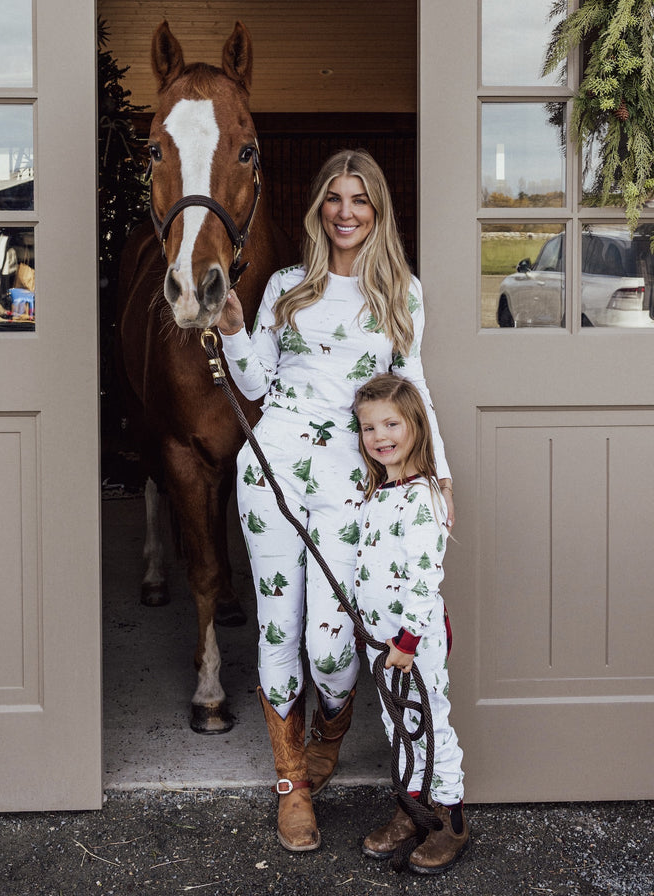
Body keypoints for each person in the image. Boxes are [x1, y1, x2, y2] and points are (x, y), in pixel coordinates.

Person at [215, 149, 454, 852]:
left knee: (329, 640)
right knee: (277, 629)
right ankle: (291, 783)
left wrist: (438, 473)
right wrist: (232, 328)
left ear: (377, 210)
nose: (345, 212)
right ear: (320, 208)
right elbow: (255, 383)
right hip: (273, 470)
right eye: (333, 199)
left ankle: (331, 729)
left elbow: (414, 387)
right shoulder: (289, 284)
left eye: (360, 199)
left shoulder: (402, 290)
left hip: (351, 484)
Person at [352, 372, 468, 874]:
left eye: (391, 424)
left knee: (430, 722)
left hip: (411, 643)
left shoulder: (422, 499)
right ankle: (411, 807)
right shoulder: (382, 493)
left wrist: (407, 640)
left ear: (416, 426)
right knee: (400, 725)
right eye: (368, 428)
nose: (379, 437)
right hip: (385, 643)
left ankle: (451, 820)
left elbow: (424, 580)